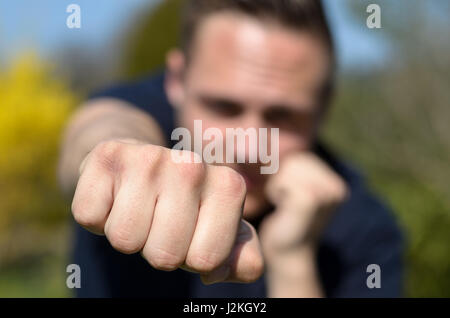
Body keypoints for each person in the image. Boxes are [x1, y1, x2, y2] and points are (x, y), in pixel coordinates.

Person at [58, 0, 404, 297]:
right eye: (224, 108)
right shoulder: (146, 117)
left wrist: (293, 259)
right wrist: (118, 163)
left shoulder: (362, 227)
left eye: (282, 116)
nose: (249, 147)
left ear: (323, 109)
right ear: (176, 81)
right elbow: (100, 128)